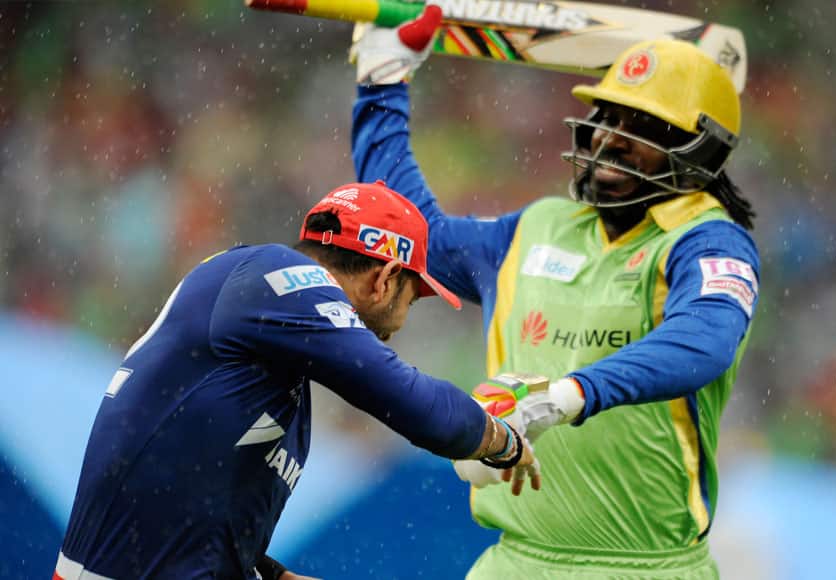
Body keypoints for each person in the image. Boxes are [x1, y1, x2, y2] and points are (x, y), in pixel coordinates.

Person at [349, 7, 760, 579]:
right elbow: (416, 234)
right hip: (514, 563)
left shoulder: (709, 241)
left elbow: (705, 339)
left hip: (647, 568)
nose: (609, 139)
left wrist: (570, 395)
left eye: (642, 127)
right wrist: (382, 85)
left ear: (700, 151)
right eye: (606, 116)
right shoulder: (536, 227)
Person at [54, 180, 541, 580]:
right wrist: (502, 438)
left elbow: (192, 497)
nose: (403, 320)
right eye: (412, 298)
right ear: (385, 278)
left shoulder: (270, 311)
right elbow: (415, 406)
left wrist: (270, 575)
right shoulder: (286, 278)